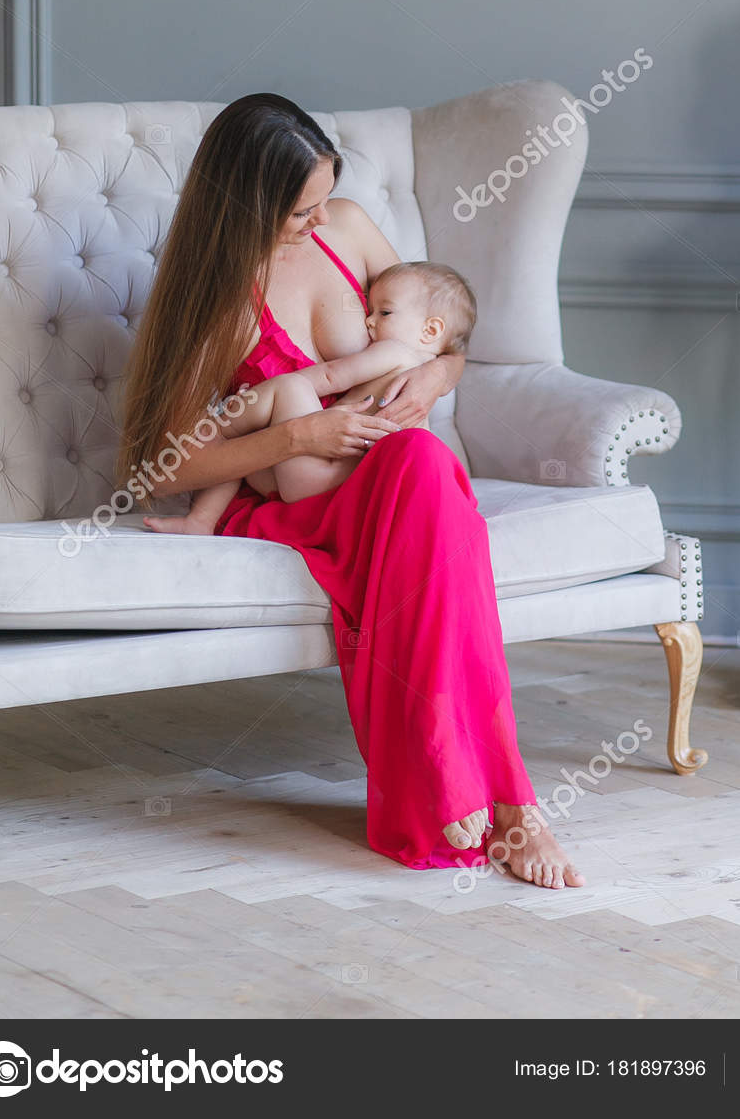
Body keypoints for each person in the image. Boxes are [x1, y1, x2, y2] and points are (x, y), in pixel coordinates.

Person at [118, 93, 584, 887]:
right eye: (298, 210)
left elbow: (440, 332)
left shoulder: (348, 226)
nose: (316, 218)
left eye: (322, 196)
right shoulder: (216, 293)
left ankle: (488, 796)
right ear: (247, 202)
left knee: (426, 472)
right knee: (433, 502)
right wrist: (298, 436)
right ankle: (508, 802)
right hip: (309, 497)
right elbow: (161, 467)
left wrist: (432, 380)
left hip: (394, 472)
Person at [146, 260, 478, 531]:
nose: (369, 320)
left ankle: (216, 437)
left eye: (384, 313)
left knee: (288, 390)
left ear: (430, 330)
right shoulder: (425, 377)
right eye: (371, 309)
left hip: (324, 476)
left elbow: (330, 376)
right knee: (244, 458)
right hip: (341, 489)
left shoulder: (397, 353)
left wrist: (273, 396)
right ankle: (200, 520)